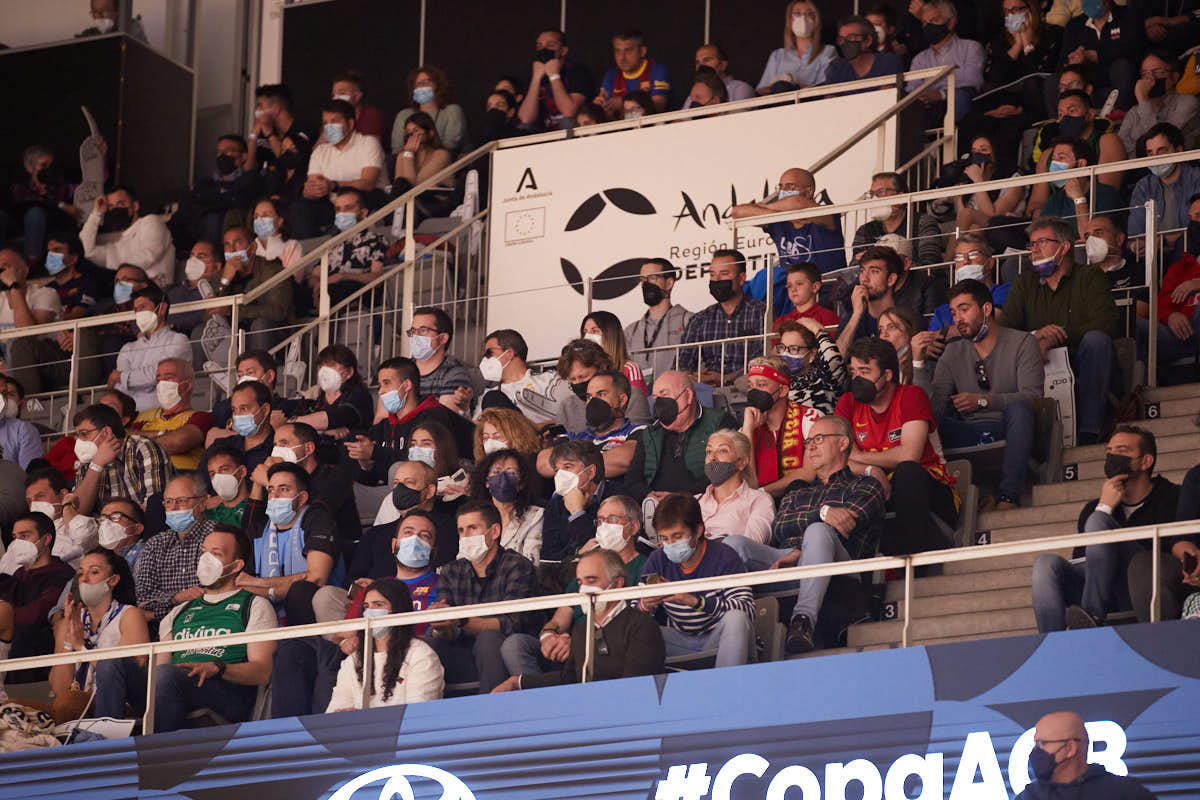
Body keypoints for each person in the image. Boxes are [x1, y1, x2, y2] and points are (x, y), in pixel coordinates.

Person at [724, 415, 886, 653]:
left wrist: (813, 530)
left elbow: (845, 524)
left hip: (840, 572)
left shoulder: (865, 485)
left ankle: (803, 622)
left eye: (818, 439)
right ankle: (723, 615)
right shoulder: (796, 492)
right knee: (734, 543)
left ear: (842, 443)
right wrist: (822, 513)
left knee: (819, 532)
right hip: (786, 562)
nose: (810, 446)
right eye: (808, 441)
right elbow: (780, 526)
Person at [1033, 426, 1180, 632]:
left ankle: (1090, 618)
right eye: (1109, 452)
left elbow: (1170, 558)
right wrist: (1105, 507)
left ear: (1146, 461)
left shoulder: (1173, 498)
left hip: (1144, 586)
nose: (1112, 457)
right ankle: (1051, 646)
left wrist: (1103, 515)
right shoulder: (1094, 507)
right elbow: (1085, 562)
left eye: (1121, 451)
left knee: (1098, 522)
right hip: (1105, 591)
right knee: (1045, 564)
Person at [923, 280, 1043, 509]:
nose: (958, 319)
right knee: (926, 421)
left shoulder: (1023, 342)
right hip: (969, 431)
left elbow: (1033, 398)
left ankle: (1008, 496)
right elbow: (935, 405)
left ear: (986, 309)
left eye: (964, 309)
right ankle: (944, 501)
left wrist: (983, 401)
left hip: (1011, 427)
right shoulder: (952, 351)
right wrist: (918, 364)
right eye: (953, 312)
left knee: (1020, 409)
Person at [998, 217, 1116, 445]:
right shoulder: (1025, 283)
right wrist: (1036, 337)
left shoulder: (1090, 276)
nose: (1034, 250)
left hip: (1081, 358)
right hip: (1037, 361)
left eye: (1041, 242)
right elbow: (1004, 330)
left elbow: (1106, 323)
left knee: (1096, 340)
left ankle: (1090, 431)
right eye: (1031, 244)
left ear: (1064, 246)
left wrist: (1056, 336)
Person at [836, 337, 958, 555]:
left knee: (907, 472)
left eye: (864, 372)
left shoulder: (911, 396)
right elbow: (838, 459)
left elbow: (909, 455)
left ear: (888, 375)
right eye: (853, 373)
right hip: (876, 491)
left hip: (931, 490)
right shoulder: (847, 402)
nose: (856, 379)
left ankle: (913, 562)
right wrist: (871, 470)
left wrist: (859, 456)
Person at [153, 525, 276, 733]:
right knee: (113, 667)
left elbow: (264, 672)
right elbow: (158, 670)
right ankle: (101, 748)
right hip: (176, 683)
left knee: (166, 676)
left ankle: (156, 756)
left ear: (236, 565)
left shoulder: (254, 605)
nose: (205, 559)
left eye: (216, 554)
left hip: (227, 692)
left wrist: (219, 668)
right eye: (203, 552)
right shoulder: (178, 612)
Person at [493, 548, 664, 692]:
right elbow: (570, 678)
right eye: (580, 582)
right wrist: (519, 683)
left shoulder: (641, 626)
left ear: (618, 584)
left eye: (591, 580)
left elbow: (635, 688)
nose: (584, 589)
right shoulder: (581, 630)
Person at [425, 502, 537, 694]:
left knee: (488, 638)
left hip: (502, 650)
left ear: (494, 532)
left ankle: (491, 712)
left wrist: (460, 620)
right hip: (461, 652)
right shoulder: (451, 570)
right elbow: (450, 631)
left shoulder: (517, 565)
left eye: (472, 528)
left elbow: (513, 623)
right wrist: (440, 625)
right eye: (461, 530)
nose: (465, 536)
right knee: (426, 644)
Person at [638, 493, 755, 668]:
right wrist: (646, 605)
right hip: (679, 642)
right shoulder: (658, 560)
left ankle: (728, 690)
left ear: (698, 530)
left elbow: (747, 610)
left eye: (677, 536)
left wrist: (695, 601)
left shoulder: (724, 556)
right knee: (638, 631)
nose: (670, 544)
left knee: (736, 619)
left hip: (720, 638)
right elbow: (633, 611)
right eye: (664, 538)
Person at [50, 547, 149, 721]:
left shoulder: (129, 615)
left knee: (68, 702)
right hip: (74, 701)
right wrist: (68, 642)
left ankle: (104, 741)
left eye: (94, 572)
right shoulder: (71, 620)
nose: (84, 579)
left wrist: (81, 648)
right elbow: (59, 689)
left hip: (121, 703)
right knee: (11, 706)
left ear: (113, 580)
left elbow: (121, 671)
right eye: (81, 574)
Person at [246, 421, 361, 562]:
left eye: (284, 444)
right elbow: (250, 530)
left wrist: (270, 484)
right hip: (281, 553)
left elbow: (316, 515)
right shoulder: (274, 478)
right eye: (275, 445)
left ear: (308, 449)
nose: (276, 451)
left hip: (332, 554)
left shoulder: (335, 476)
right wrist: (258, 485)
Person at [348, 356, 469, 487]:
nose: (381, 391)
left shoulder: (434, 417)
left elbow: (427, 464)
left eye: (386, 383)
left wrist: (376, 452)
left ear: (406, 385)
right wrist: (366, 464)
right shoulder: (383, 426)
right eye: (380, 385)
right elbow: (372, 481)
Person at [241, 463, 338, 626]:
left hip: (313, 617)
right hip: (266, 620)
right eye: (271, 490)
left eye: (284, 489)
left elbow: (315, 578)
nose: (275, 496)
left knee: (301, 589)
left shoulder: (317, 519)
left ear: (301, 498)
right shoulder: (257, 530)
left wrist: (259, 584)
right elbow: (240, 585)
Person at [326, 578, 444, 711]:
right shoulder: (353, 661)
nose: (369, 612)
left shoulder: (420, 655)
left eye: (378, 605)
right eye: (366, 606)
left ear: (398, 609)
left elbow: (419, 714)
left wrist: (360, 718)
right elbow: (334, 715)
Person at [732, 170, 845, 300]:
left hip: (826, 291)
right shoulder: (779, 221)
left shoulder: (826, 214)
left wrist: (763, 208)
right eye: (781, 187)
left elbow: (797, 203)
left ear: (809, 191)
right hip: (792, 296)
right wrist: (774, 215)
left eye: (790, 186)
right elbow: (737, 212)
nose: (783, 191)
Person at [626, 371, 736, 501]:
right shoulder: (650, 433)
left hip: (702, 506)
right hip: (655, 509)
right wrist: (649, 496)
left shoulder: (719, 423)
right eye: (656, 399)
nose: (659, 404)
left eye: (664, 395)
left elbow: (724, 473)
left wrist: (680, 498)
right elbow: (632, 480)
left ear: (688, 396)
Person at [0, 513, 76, 691]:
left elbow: (34, 616)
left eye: (25, 536)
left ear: (46, 539)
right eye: (14, 537)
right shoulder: (18, 574)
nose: (17, 542)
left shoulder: (62, 575)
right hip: (12, 666)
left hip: (40, 668)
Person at [290, 100, 386, 238]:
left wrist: (334, 185)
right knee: (300, 207)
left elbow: (368, 182)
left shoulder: (368, 143)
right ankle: (309, 255)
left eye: (334, 122)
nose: (329, 127)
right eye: (325, 123)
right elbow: (315, 185)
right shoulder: (320, 151)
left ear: (351, 124)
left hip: (366, 200)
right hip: (332, 204)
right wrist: (309, 191)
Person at [133, 473, 216, 624]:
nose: (174, 508)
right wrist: (176, 598)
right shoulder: (155, 545)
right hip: (166, 630)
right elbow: (143, 599)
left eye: (182, 501)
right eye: (169, 502)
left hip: (210, 622)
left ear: (203, 503)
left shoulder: (217, 535)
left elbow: (217, 592)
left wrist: (160, 609)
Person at [1014, 711, 1156, 799]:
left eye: (1042, 744)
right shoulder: (1028, 797)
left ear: (1070, 748)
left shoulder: (1126, 794)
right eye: (1035, 744)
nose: (1036, 751)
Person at [972, 0, 1061, 139]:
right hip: (1003, 104)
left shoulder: (1053, 34)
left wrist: (1027, 44)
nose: (1012, 14)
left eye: (1017, 9)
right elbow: (994, 78)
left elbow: (1040, 74)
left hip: (1035, 103)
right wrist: (1017, 45)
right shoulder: (998, 41)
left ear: (1031, 10)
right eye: (1007, 11)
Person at [678, 249, 767, 385]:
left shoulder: (762, 312)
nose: (717, 280)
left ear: (742, 278)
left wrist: (727, 378)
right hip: (707, 393)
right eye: (712, 275)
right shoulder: (700, 319)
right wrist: (694, 377)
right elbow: (681, 364)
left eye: (724, 274)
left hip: (749, 389)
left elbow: (766, 360)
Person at [168, 134, 263, 257]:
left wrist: (208, 202)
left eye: (228, 151)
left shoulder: (248, 180)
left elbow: (236, 200)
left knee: (212, 219)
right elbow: (188, 203)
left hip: (219, 233)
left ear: (243, 156)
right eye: (219, 152)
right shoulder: (205, 182)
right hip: (192, 232)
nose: (222, 156)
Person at [741, 356, 823, 496]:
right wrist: (748, 431)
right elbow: (748, 483)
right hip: (760, 509)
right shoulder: (747, 427)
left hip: (803, 501)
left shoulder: (810, 418)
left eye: (761, 385)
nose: (753, 392)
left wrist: (761, 494)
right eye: (750, 385)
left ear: (783, 390)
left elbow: (808, 474)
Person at [71, 403, 171, 516]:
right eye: (77, 435)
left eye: (84, 434)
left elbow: (155, 508)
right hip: (102, 531)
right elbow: (77, 513)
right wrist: (96, 465)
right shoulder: (89, 461)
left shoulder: (143, 448)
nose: (79, 441)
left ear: (106, 432)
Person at [479, 329, 584, 430]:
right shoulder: (489, 396)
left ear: (509, 353)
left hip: (559, 442)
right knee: (492, 398)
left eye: (489, 353)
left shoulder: (551, 380)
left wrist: (541, 427)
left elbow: (579, 414)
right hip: (511, 444)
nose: (485, 359)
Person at [109, 284, 192, 411]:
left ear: (162, 308)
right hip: (132, 416)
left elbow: (158, 375)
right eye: (136, 310)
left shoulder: (179, 340)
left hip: (164, 412)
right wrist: (143, 381)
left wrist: (122, 377)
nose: (139, 313)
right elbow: (122, 388)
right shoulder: (128, 348)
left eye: (143, 307)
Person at [212, 225, 293, 352]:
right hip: (236, 335)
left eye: (237, 243)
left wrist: (233, 311)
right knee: (201, 331)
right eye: (227, 245)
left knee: (260, 324)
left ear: (253, 247)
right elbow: (209, 316)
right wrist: (225, 282)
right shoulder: (220, 276)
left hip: (274, 335)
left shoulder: (273, 270)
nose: (232, 249)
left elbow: (277, 312)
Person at [126, 357, 214, 472]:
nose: (161, 384)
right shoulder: (142, 423)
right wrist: (160, 434)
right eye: (158, 380)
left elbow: (178, 442)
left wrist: (141, 441)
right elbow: (125, 439)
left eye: (168, 378)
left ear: (187, 385)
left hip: (182, 479)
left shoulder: (201, 417)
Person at [305, 188, 388, 310]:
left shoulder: (376, 240)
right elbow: (314, 275)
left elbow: (376, 277)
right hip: (327, 290)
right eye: (338, 209)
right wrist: (319, 285)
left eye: (348, 208)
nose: (341, 213)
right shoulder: (331, 244)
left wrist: (344, 276)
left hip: (357, 292)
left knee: (335, 290)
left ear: (363, 213)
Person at [1129, 123, 1200, 263]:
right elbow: (1135, 234)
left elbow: (1197, 230)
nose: (1155, 158)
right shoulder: (1143, 186)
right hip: (1154, 262)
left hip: (1193, 258)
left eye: (1161, 151)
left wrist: (1163, 241)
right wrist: (1135, 246)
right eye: (1150, 153)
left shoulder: (1197, 178)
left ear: (1179, 151)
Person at [1137, 464, 1200, 623]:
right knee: (1143, 564)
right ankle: (1158, 642)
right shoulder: (1196, 476)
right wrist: (1193, 560)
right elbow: (1181, 539)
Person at [540, 441, 619, 563]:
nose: (560, 475)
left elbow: (604, 550)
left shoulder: (618, 498)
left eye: (567, 467)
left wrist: (577, 513)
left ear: (591, 472)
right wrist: (577, 554)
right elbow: (547, 559)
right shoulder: (555, 504)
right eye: (557, 470)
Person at [1058, 0, 1144, 112]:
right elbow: (1063, 59)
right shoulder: (1075, 25)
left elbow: (1136, 49)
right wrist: (1073, 61)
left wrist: (1096, 55)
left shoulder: (1129, 16)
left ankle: (1119, 116)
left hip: (1118, 77)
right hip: (1086, 81)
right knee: (1055, 80)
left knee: (1122, 66)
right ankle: (1062, 121)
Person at [906, 0, 985, 122]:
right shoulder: (919, 59)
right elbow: (911, 90)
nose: (928, 27)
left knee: (959, 97)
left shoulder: (971, 48)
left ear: (951, 22)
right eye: (925, 23)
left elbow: (972, 83)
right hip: (928, 111)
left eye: (934, 21)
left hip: (960, 106)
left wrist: (941, 94)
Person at [1026, 137, 1121, 238]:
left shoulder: (1107, 194)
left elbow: (1091, 242)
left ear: (1080, 164)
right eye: (1053, 159)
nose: (1054, 164)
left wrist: (1079, 199)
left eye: (1061, 158)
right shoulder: (1053, 201)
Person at [1028, 86, 1127, 183]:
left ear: (1090, 114)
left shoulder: (1107, 142)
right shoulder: (1048, 155)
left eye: (1072, 111)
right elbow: (1038, 199)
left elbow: (1108, 191)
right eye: (1060, 114)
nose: (1065, 117)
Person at [80, 186, 174, 286]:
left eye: (120, 203)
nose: (116, 209)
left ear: (135, 206)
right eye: (111, 206)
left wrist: (118, 274)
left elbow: (149, 255)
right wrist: (96, 213)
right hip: (129, 297)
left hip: (158, 292)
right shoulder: (116, 242)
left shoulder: (150, 221)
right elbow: (86, 250)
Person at [7, 145, 79, 271]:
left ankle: (31, 264)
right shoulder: (21, 187)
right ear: (30, 167)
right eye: (43, 166)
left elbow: (85, 189)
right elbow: (28, 202)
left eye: (50, 165)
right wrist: (61, 205)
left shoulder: (58, 186)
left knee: (37, 214)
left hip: (49, 228)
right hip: (21, 226)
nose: (48, 170)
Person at [624, 259, 694, 387]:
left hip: (675, 395)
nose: (646, 284)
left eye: (652, 278)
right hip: (640, 398)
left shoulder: (688, 320)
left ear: (669, 283)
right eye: (643, 279)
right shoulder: (631, 331)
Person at [697, 429, 775, 543]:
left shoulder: (759, 500)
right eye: (709, 451)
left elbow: (750, 547)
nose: (712, 457)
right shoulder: (695, 501)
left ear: (741, 462)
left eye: (722, 451)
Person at [1148, 197, 1200, 365]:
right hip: (1180, 336)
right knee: (1136, 325)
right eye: (1191, 219)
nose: (1194, 224)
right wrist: (1170, 315)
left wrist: (1197, 283)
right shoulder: (1181, 266)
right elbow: (1161, 303)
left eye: (1199, 216)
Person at [470, 448, 544, 563]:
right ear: (487, 482)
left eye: (511, 473)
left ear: (521, 483)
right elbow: (465, 560)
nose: (503, 478)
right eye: (496, 472)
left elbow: (532, 563)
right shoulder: (474, 518)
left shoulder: (535, 516)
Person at [0, 248, 63, 381]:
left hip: (44, 363)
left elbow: (27, 333)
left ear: (24, 271)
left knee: (16, 342)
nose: (1, 272)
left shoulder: (46, 294)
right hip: (8, 366)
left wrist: (13, 286)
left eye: (6, 267)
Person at [927, 234, 1011, 333]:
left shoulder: (1005, 291)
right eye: (959, 257)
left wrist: (943, 334)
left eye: (973, 254)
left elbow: (988, 322)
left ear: (990, 263)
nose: (966, 261)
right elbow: (931, 342)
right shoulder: (942, 312)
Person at [1119, 52, 1200, 153]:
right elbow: (1121, 148)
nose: (1151, 77)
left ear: (1174, 77)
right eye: (1145, 74)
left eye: (1158, 71)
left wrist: (1143, 101)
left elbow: (1161, 143)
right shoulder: (1135, 111)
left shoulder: (1187, 103)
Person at [517, 29, 594, 131]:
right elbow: (525, 119)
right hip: (544, 130)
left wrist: (554, 76)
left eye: (550, 45)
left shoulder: (577, 71)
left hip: (572, 128)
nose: (544, 50)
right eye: (539, 46)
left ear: (563, 50)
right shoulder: (535, 74)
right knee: (523, 128)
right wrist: (536, 79)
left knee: (567, 122)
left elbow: (569, 111)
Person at [292, 344, 375, 436]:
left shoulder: (359, 395)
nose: (324, 372)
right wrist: (322, 430)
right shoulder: (317, 397)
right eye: (321, 367)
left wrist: (293, 421)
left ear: (349, 372)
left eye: (331, 366)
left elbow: (334, 418)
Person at [250, 83, 314, 201]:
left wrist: (269, 133)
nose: (257, 110)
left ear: (275, 109)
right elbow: (249, 168)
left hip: (295, 193)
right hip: (268, 195)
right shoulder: (264, 135)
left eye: (260, 106)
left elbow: (288, 160)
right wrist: (253, 136)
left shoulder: (303, 128)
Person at [836, 245, 903, 356]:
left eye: (874, 271)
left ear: (891, 279)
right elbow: (836, 361)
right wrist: (856, 315)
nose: (864, 279)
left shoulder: (904, 317)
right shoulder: (854, 316)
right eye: (862, 271)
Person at [758, 0, 837, 92]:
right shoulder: (778, 56)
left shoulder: (828, 51)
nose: (803, 18)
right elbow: (761, 90)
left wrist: (794, 86)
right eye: (797, 13)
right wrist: (777, 86)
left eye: (809, 14)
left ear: (816, 19)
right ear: (790, 20)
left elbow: (827, 88)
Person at [408, 306, 474, 413]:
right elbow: (381, 417)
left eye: (423, 330)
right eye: (413, 331)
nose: (416, 336)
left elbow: (441, 421)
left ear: (443, 338)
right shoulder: (402, 368)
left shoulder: (455, 374)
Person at [390, 66, 468, 156]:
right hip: (409, 159)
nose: (422, 86)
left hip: (444, 161)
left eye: (426, 82)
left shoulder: (452, 111)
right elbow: (396, 149)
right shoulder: (404, 115)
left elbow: (450, 145)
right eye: (418, 84)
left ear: (437, 85)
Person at [594, 28, 671, 118]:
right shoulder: (611, 75)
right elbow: (605, 112)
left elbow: (659, 106)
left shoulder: (656, 69)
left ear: (642, 51)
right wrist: (600, 108)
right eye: (618, 51)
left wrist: (623, 103)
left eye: (628, 51)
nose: (622, 58)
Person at [779, 318, 848, 415]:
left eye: (793, 349)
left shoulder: (825, 378)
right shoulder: (779, 383)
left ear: (811, 354)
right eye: (782, 347)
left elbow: (832, 357)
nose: (785, 353)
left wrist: (817, 330)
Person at [215, 378, 276, 476]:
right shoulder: (221, 446)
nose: (237, 415)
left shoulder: (278, 450)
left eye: (244, 408)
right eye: (234, 410)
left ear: (265, 410)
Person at [876, 234, 946, 320]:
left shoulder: (929, 286)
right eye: (876, 260)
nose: (879, 266)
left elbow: (932, 327)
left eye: (888, 259)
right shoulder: (871, 288)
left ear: (906, 263)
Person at [581, 310, 648, 396]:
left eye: (595, 331)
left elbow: (639, 405)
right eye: (585, 332)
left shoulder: (630, 369)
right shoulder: (584, 371)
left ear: (610, 335)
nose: (588, 337)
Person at [824, 15, 904, 84]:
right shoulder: (837, 69)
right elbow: (830, 99)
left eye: (851, 37)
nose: (845, 43)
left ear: (868, 41)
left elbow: (888, 96)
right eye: (841, 39)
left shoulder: (888, 62)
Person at [392, 112, 454, 200]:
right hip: (410, 203)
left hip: (434, 203)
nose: (411, 136)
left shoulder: (441, 155)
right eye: (408, 132)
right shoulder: (403, 155)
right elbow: (399, 187)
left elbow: (415, 185)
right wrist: (407, 154)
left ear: (431, 133)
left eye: (416, 131)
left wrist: (409, 155)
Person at [683, 44, 754, 109]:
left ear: (722, 65)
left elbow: (739, 118)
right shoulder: (693, 96)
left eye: (706, 60)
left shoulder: (740, 88)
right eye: (697, 62)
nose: (701, 66)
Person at [772, 262, 840, 330]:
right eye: (789, 286)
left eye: (799, 284)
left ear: (815, 287)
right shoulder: (780, 322)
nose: (793, 289)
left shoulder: (829, 318)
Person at [1084, 213, 1141, 291]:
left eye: (1098, 233)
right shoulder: (1082, 279)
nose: (1091, 240)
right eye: (1087, 237)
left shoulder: (1139, 271)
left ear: (1119, 239)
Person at [330, 69, 386, 141]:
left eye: (342, 93)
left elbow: (370, 145)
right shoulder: (330, 118)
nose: (336, 98)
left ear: (357, 96)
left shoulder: (371, 115)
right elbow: (320, 148)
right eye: (333, 95)